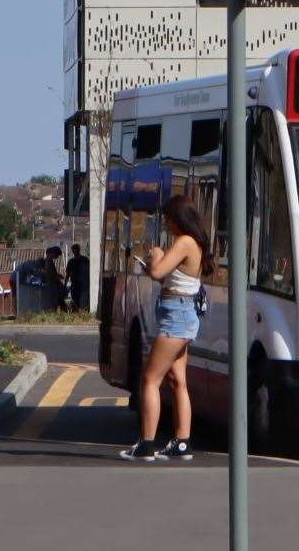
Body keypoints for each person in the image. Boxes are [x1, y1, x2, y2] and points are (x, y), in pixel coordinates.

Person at [120, 195, 210, 462]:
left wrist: (156, 255)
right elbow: (169, 277)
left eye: (169, 219)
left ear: (179, 219)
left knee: (150, 379)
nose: (167, 224)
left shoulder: (184, 242)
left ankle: (146, 444)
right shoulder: (191, 243)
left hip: (177, 316)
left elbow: (157, 272)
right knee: (177, 380)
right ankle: (181, 442)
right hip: (181, 312)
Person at [65, 244, 90, 312]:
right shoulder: (71, 261)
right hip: (76, 285)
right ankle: (78, 315)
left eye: (76, 249)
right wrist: (65, 284)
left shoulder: (85, 260)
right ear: (72, 251)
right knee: (76, 302)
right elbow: (67, 274)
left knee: (82, 303)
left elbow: (90, 272)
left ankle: (81, 315)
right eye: (74, 249)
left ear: (79, 250)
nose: (75, 251)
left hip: (83, 285)